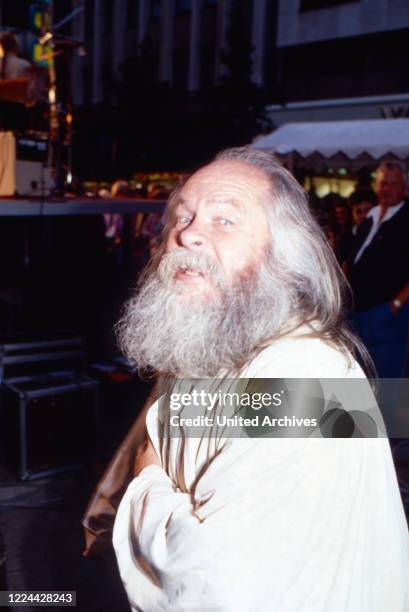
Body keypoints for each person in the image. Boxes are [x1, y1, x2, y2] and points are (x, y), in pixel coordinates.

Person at [112, 148, 409, 611]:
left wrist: (146, 481)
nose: (188, 233)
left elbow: (213, 589)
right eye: (183, 216)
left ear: (283, 254)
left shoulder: (304, 373)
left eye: (224, 221)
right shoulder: (220, 337)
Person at [347, 161, 409, 378]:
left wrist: (396, 304)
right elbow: (352, 257)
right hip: (356, 314)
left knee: (385, 385)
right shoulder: (370, 217)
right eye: (383, 184)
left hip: (387, 316)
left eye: (393, 184)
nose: (386, 189)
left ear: (405, 188)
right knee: (357, 379)